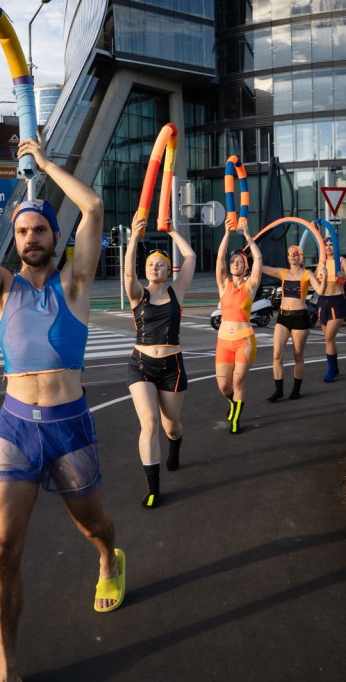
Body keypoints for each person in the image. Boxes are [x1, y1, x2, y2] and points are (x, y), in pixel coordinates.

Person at [0, 123, 123, 682]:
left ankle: (110, 556)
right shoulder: (0, 289)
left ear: (53, 237)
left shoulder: (76, 286)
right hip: (16, 429)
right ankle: (6, 666)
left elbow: (94, 208)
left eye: (40, 228)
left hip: (70, 426)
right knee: (0, 550)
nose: (32, 236)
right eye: (24, 230)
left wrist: (43, 158)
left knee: (94, 525)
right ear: (16, 240)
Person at [122, 211, 196, 508]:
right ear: (147, 269)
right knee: (149, 422)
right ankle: (153, 488)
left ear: (168, 271)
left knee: (170, 426)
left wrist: (172, 231)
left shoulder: (177, 292)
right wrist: (132, 239)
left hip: (172, 367)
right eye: (151, 264)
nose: (155, 267)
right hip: (140, 365)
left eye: (161, 264)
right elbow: (128, 274)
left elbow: (189, 257)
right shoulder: (137, 294)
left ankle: (175, 444)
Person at [214, 225, 263, 433]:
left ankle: (235, 421)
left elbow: (259, 260)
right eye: (233, 261)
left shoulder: (250, 285)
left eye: (240, 262)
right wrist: (226, 234)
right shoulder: (223, 284)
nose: (235, 264)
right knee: (224, 386)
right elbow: (219, 258)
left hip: (244, 341)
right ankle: (233, 402)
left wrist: (248, 238)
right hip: (223, 341)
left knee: (238, 381)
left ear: (245, 267)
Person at [262, 244, 323, 402]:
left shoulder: (307, 274)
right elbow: (262, 268)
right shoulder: (283, 273)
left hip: (300, 317)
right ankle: (278, 390)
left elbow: (321, 291)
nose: (291, 256)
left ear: (300, 256)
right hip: (283, 317)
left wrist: (325, 275)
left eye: (295, 254)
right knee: (276, 355)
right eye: (289, 253)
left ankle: (296, 390)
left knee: (297, 355)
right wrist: (251, 260)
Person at [314, 237, 346, 382]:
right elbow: (316, 281)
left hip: (337, 300)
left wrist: (344, 276)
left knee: (329, 337)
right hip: (323, 300)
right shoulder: (321, 262)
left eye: (331, 245)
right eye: (326, 245)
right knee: (328, 339)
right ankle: (334, 367)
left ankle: (330, 371)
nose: (329, 247)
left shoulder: (342, 261)